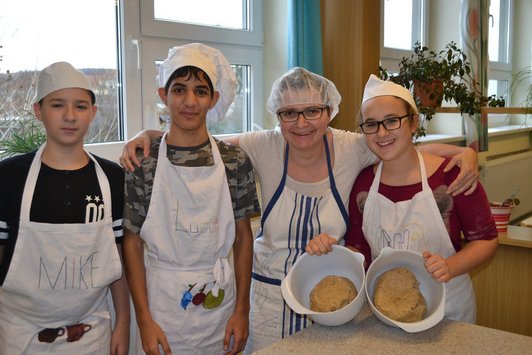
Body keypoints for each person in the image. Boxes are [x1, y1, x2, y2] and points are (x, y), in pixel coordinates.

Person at [120, 67, 480, 352]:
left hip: (331, 299)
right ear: (277, 116)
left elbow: (399, 144)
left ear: (330, 111)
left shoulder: (352, 147)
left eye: (313, 111)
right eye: (289, 113)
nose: (302, 123)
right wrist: (149, 134)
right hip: (266, 300)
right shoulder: (263, 146)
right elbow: (196, 138)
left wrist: (463, 152)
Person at [306, 74, 498, 323]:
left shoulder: (452, 176)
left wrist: (451, 266)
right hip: (385, 311)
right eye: (371, 124)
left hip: (448, 310)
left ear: (414, 122)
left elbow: (486, 240)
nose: (382, 132)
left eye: (392, 121)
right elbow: (361, 248)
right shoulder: (364, 183)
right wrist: (334, 251)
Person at [122, 43, 259, 355]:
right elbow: (131, 242)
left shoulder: (234, 161)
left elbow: (242, 238)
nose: (189, 101)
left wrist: (242, 311)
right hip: (162, 308)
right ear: (163, 95)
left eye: (200, 91)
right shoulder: (144, 162)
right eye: (179, 89)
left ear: (213, 99)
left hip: (219, 306)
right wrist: (144, 320)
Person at [0, 61, 130, 354]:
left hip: (91, 332)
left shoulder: (112, 178)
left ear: (93, 113)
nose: (70, 116)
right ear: (39, 111)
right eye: (58, 105)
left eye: (81, 107)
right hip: (20, 333)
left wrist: (123, 321)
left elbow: (117, 258)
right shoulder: (9, 176)